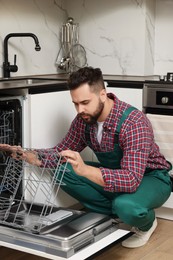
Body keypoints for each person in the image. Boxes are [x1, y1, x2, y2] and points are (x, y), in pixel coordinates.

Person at [0, 66, 172, 248]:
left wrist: (84, 170)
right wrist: (29, 155)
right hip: (115, 175)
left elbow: (131, 180)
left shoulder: (133, 122)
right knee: (61, 169)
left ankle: (146, 223)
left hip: (151, 177)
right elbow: (60, 151)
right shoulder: (84, 120)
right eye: (75, 103)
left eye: (85, 102)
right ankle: (115, 213)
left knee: (126, 205)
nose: (79, 109)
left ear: (103, 95)